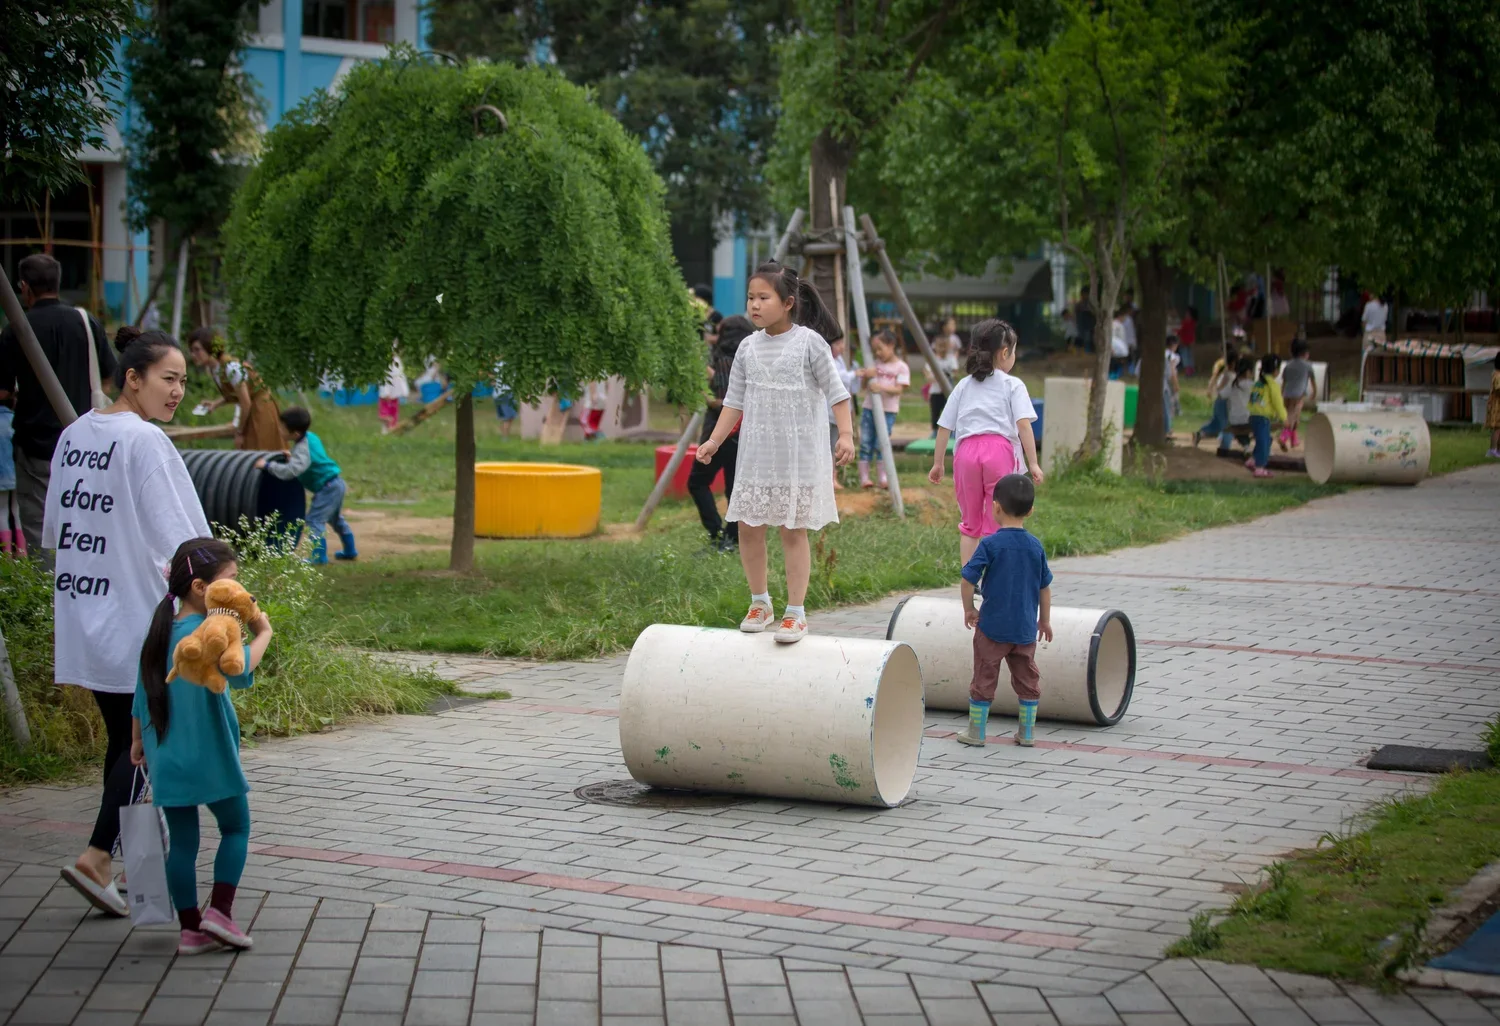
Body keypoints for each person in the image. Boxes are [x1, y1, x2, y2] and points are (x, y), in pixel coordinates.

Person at [44, 325, 210, 916]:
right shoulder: (143, 442)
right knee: (149, 745)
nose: (177, 393)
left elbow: (53, 532)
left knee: (125, 741)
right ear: (132, 378)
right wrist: (219, 598)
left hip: (87, 613)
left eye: (184, 382)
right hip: (139, 620)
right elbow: (188, 542)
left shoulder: (74, 437)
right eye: (168, 379)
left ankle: (141, 884)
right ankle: (95, 856)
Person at [693, 261, 853, 644]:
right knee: (748, 527)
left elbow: (837, 393)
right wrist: (714, 441)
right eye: (751, 297)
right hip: (757, 454)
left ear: (788, 302)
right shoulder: (748, 347)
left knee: (792, 530)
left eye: (764, 297)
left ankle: (795, 613)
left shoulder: (810, 343)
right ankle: (759, 602)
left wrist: (845, 435)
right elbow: (734, 401)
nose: (754, 305)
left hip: (797, 457)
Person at [132, 537, 272, 954]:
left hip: (164, 751)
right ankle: (221, 913)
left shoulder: (159, 631)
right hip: (210, 751)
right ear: (199, 588)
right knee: (236, 827)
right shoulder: (213, 633)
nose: (240, 590)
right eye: (231, 580)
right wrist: (262, 631)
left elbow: (140, 693)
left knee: (184, 840)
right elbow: (242, 668)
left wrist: (137, 740)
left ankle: (190, 930)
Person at [0, 254, 116, 561]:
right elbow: (108, 378)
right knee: (84, 517)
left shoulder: (16, 329)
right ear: (58, 282)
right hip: (85, 445)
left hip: (36, 443)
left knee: (39, 522)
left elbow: (2, 388)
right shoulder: (86, 322)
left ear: (24, 287)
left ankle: (47, 591)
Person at [928, 319, 1042, 565]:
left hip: (966, 453)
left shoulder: (963, 385)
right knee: (997, 521)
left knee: (970, 524)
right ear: (1004, 353)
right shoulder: (1013, 384)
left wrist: (938, 463)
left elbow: (944, 426)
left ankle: (969, 583)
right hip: (998, 452)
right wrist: (1033, 463)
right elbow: (1024, 425)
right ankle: (994, 579)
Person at [956, 473, 1052, 749]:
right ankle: (1027, 733)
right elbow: (1045, 588)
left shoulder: (990, 544)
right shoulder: (1036, 546)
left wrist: (969, 609)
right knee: (1028, 679)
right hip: (1024, 629)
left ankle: (976, 733)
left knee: (984, 677)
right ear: (1031, 510)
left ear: (995, 507)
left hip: (992, 629)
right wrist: (1044, 621)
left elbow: (967, 580)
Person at [255, 407, 357, 563]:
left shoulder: (302, 448)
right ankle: (350, 550)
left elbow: (291, 471)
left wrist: (268, 466)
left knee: (314, 520)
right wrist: (293, 456)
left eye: (282, 428)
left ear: (295, 434)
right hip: (335, 484)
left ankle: (318, 557)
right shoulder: (310, 437)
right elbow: (308, 458)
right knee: (335, 520)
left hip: (328, 488)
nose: (279, 430)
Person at [689, 315, 753, 553]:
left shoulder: (725, 361)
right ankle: (731, 539)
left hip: (721, 434)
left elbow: (728, 402)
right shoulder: (749, 360)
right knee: (734, 489)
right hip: (743, 436)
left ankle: (719, 536)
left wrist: (708, 399)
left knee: (697, 482)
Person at [185, 328, 284, 451]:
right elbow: (235, 394)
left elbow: (245, 402)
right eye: (191, 350)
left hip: (261, 408)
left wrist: (239, 432)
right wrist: (215, 404)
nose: (193, 355)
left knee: (260, 449)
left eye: (197, 350)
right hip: (250, 407)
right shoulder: (215, 368)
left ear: (209, 347)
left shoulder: (231, 367)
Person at [856, 329, 910, 489]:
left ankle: (882, 478)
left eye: (880, 349)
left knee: (882, 443)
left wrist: (881, 387)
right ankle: (864, 478)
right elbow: (864, 387)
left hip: (888, 411)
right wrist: (867, 377)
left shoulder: (901, 367)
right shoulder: (874, 365)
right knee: (866, 442)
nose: (878, 353)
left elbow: (899, 390)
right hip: (869, 409)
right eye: (875, 350)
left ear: (891, 345)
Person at [1245, 354, 1286, 479]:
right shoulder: (1272, 385)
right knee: (1263, 443)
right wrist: (1284, 418)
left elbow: (1253, 400)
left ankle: (1252, 460)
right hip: (1262, 418)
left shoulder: (1258, 383)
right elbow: (1278, 403)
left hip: (1254, 416)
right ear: (1276, 370)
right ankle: (1260, 468)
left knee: (1266, 440)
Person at [827, 336, 860, 490]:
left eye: (842, 343)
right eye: (838, 343)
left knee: (833, 445)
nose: (841, 347)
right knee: (828, 446)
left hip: (838, 412)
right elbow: (839, 377)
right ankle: (828, 477)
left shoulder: (839, 359)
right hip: (828, 411)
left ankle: (833, 477)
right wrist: (855, 374)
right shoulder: (827, 360)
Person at [1193, 342, 1238, 449]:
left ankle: (1201, 433)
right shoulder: (1227, 373)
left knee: (1217, 423)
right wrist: (1213, 388)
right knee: (1226, 425)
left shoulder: (1228, 372)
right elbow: (1219, 384)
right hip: (1223, 402)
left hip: (1222, 401)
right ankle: (1224, 446)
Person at [1279, 339, 1317, 452]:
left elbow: (1284, 382)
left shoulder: (1288, 365)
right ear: (1305, 353)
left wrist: (1281, 394)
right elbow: (1313, 381)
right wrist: (1314, 393)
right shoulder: (1308, 366)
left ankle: (1294, 440)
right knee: (1292, 417)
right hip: (1298, 396)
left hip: (1286, 394)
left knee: (1293, 416)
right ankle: (1283, 437)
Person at [924, 333, 961, 437]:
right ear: (935, 347)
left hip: (948, 392)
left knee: (949, 412)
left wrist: (948, 375)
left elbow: (955, 373)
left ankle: (951, 432)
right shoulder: (933, 360)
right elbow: (927, 374)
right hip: (935, 391)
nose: (942, 349)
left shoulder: (951, 359)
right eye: (939, 346)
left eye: (944, 346)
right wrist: (934, 377)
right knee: (935, 413)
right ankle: (935, 432)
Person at [1223, 355, 1257, 455]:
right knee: (1259, 422)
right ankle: (1262, 446)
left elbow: (1221, 395)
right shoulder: (1252, 385)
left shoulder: (1232, 384)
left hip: (1234, 420)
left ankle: (1246, 447)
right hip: (1248, 419)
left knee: (1239, 430)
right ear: (1248, 372)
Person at [0, 394, 19, 557]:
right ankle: (22, 550)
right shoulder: (14, 419)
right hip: (17, 473)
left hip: (1, 477)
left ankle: (6, 553)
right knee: (17, 511)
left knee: (2, 511)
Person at [377, 352, 409, 433]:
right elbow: (385, 378)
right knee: (385, 414)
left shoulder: (397, 361)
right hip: (387, 392)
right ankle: (386, 429)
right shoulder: (386, 362)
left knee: (394, 412)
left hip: (394, 392)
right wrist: (386, 392)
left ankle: (392, 428)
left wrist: (403, 391)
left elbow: (400, 376)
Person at [1163, 335, 1182, 435]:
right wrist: (1176, 384)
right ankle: (1168, 427)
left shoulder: (1163, 354)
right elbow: (1172, 371)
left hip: (1164, 381)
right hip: (1168, 382)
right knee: (1169, 406)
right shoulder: (1173, 356)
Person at [1485, 352, 1500, 459]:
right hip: (1497, 406)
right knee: (1497, 427)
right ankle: (1492, 449)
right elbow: (1498, 390)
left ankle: (1498, 449)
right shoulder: (1497, 375)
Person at [1177, 305, 1198, 374]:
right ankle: (1191, 368)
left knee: (1185, 355)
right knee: (1190, 355)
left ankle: (1188, 369)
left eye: (1187, 313)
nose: (1186, 315)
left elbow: (1181, 331)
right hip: (1190, 341)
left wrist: (1176, 332)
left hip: (1184, 341)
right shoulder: (1193, 323)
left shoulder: (1185, 323)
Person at [1109, 311, 1130, 378]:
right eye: (1124, 317)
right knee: (1114, 362)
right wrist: (1111, 347)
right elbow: (1111, 336)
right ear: (1120, 316)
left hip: (1119, 348)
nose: (1124, 319)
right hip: (1115, 347)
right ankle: (1112, 375)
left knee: (1118, 362)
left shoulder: (1119, 324)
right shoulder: (1114, 324)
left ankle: (1116, 375)